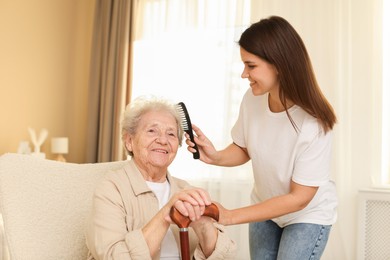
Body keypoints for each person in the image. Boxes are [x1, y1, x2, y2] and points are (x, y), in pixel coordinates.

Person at [185, 16, 338, 260]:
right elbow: (245, 148)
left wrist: (230, 215)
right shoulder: (252, 99)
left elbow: (299, 199)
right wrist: (215, 156)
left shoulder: (314, 123)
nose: (244, 74)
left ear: (278, 64)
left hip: (306, 215)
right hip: (265, 207)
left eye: (251, 65)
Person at [86, 96, 236, 260]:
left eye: (171, 134)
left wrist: (204, 224)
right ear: (129, 141)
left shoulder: (186, 190)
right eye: (152, 131)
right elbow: (113, 256)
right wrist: (166, 214)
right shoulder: (112, 188)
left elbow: (226, 256)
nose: (163, 140)